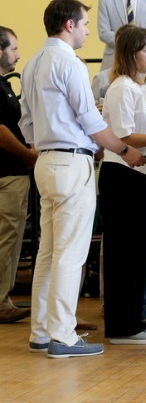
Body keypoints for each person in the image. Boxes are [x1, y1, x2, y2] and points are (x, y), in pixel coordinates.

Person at [20, 0, 144, 358]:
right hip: (72, 161)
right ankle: (63, 335)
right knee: (70, 253)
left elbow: (26, 123)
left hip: (46, 160)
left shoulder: (32, 63)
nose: (90, 31)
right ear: (69, 25)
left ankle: (41, 331)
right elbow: (90, 120)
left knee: (48, 252)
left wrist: (52, 136)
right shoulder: (69, 63)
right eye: (86, 24)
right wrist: (123, 149)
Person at [99, 25, 146, 345]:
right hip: (122, 174)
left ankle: (135, 317)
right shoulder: (122, 87)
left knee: (138, 251)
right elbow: (124, 135)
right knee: (122, 253)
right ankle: (120, 326)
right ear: (130, 54)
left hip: (143, 174)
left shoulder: (145, 88)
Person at [0, 26, 37, 324]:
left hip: (13, 171)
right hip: (8, 172)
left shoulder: (4, 85)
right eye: (13, 48)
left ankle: (4, 298)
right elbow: (1, 131)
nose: (18, 54)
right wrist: (28, 155)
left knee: (9, 239)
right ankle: (0, 301)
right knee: (6, 239)